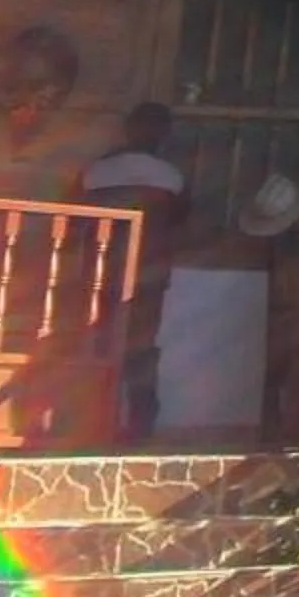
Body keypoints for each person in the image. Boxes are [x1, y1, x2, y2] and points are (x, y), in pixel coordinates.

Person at [77, 102, 187, 440]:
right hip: (148, 276)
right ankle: (140, 424)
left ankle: (90, 422)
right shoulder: (171, 177)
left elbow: (75, 218)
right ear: (164, 135)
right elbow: (182, 222)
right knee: (140, 349)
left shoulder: (97, 172)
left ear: (128, 130)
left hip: (99, 274)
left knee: (95, 344)